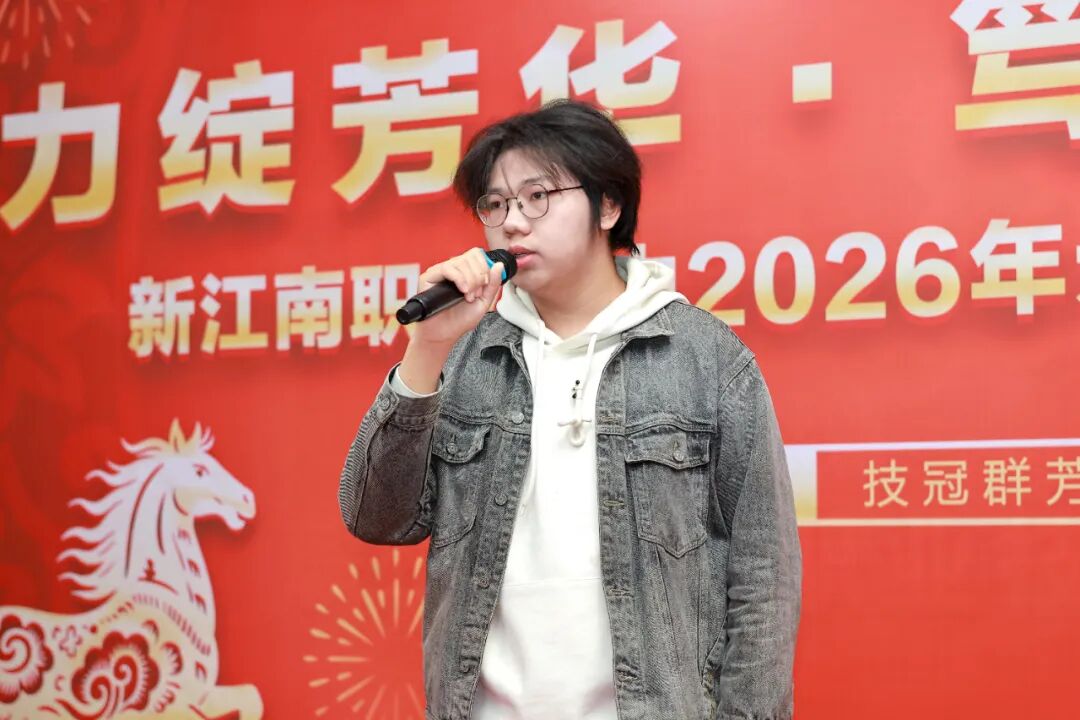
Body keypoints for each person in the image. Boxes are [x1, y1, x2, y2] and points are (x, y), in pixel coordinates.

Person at [338, 99, 801, 720]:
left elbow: (763, 575)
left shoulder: (706, 358)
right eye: (495, 204)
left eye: (538, 197)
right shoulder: (467, 354)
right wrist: (426, 351)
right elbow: (376, 518)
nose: (512, 224)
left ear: (607, 206)